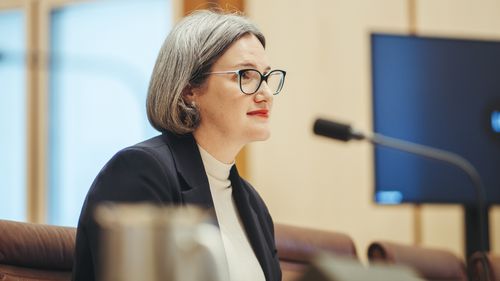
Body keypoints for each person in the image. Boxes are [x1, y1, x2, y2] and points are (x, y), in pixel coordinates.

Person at [71, 9, 286, 281]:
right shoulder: (141, 172)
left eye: (266, 77)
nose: (265, 94)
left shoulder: (254, 205)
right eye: (245, 76)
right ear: (189, 90)